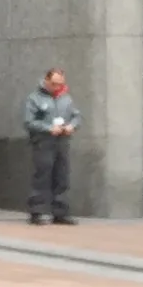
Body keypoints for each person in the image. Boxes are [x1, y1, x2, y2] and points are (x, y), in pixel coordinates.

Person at [23, 68, 81, 226]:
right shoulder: (34, 98)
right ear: (46, 81)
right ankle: (37, 211)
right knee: (42, 176)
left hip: (62, 141)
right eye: (54, 84)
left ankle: (60, 212)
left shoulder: (66, 99)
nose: (57, 88)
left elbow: (76, 116)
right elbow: (29, 122)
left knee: (62, 176)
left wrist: (72, 126)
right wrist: (48, 128)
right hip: (43, 142)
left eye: (60, 84)